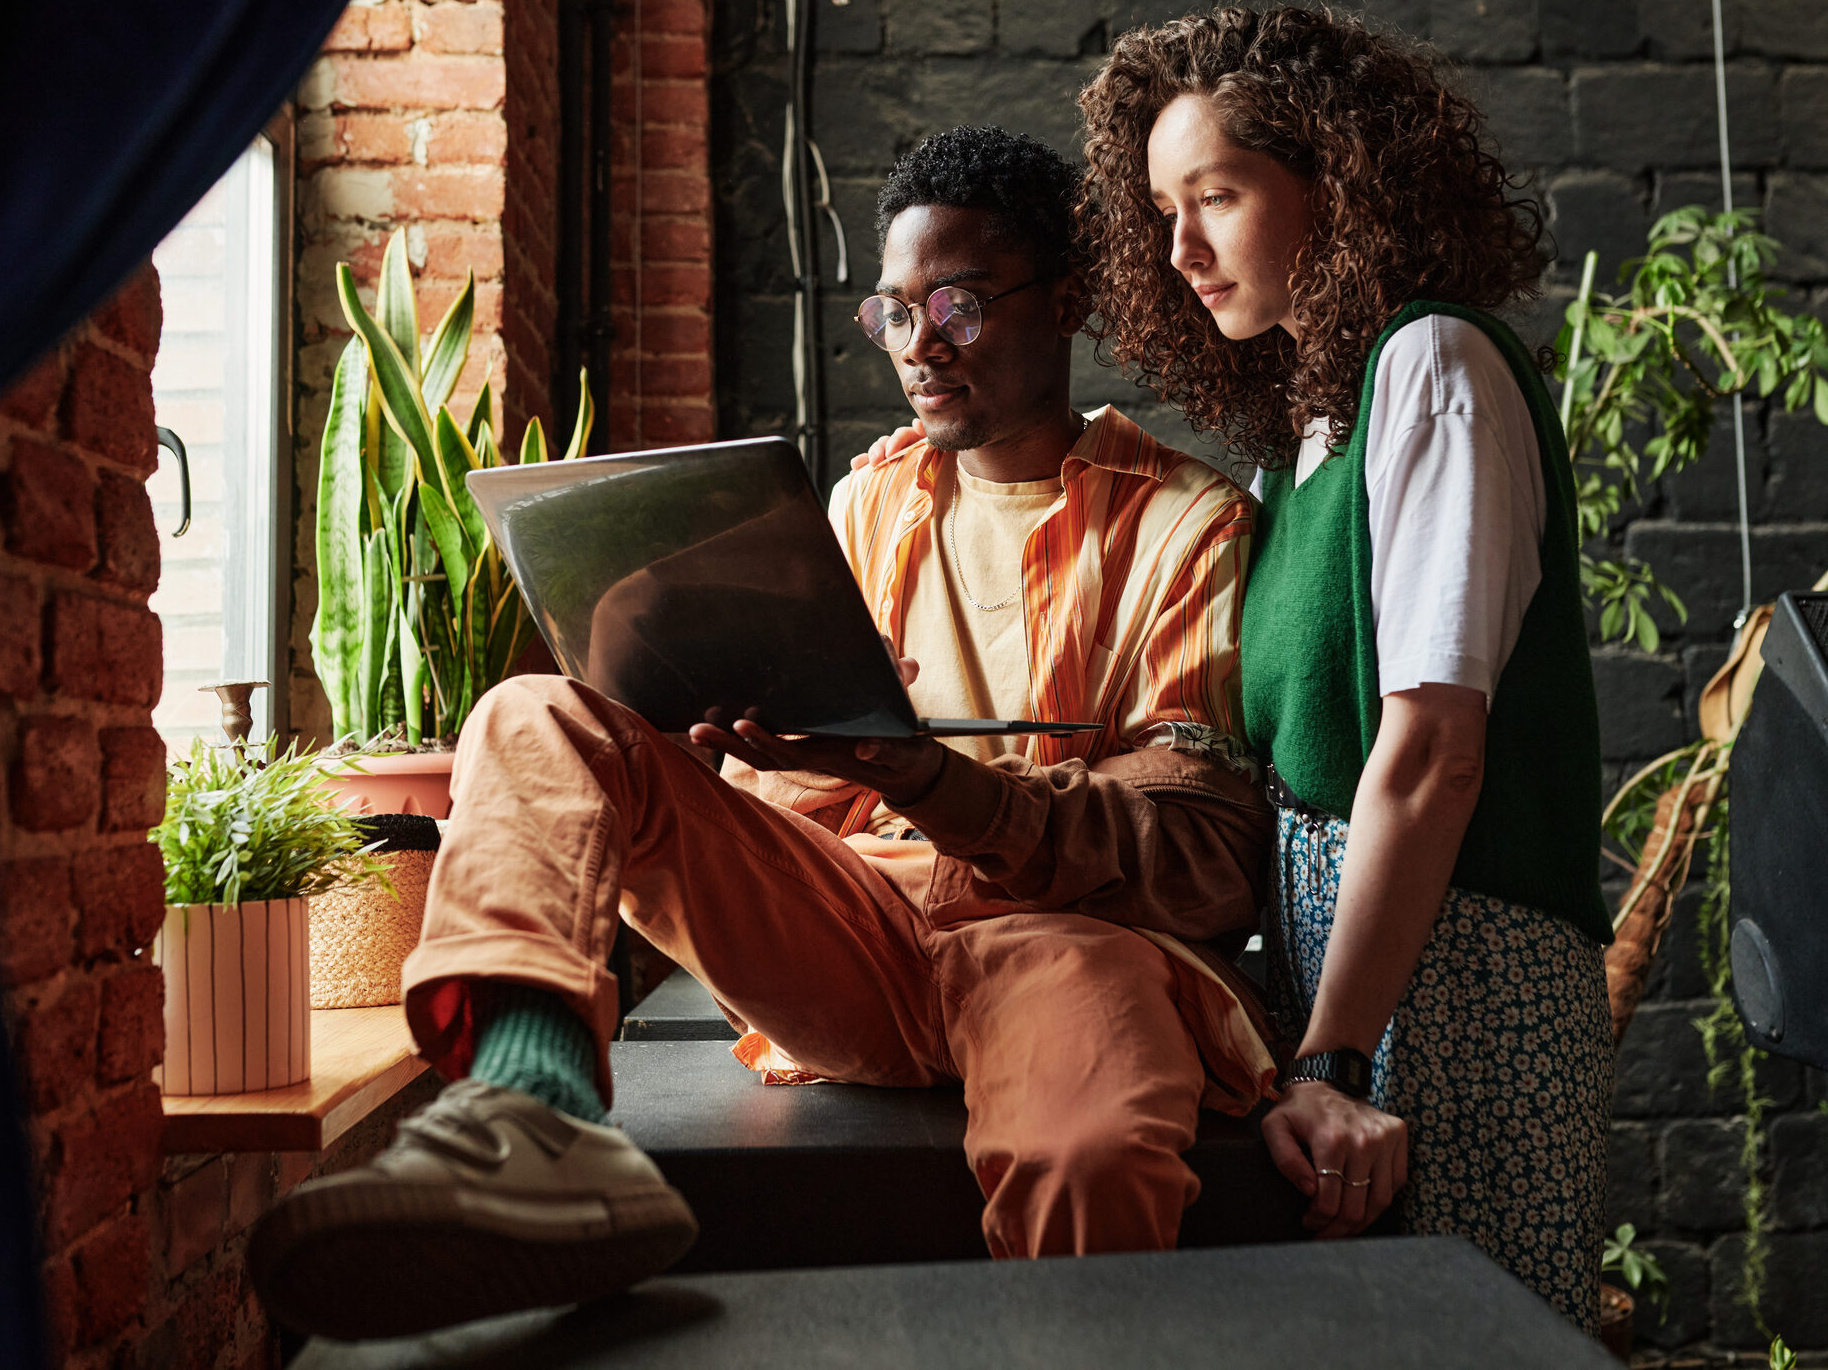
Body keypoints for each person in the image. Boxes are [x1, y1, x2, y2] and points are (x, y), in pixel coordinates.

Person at [247, 125, 1282, 1341]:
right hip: (853, 923)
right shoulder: (862, 501)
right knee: (533, 712)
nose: (920, 347)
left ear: (1065, 299)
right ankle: (529, 1118)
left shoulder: (1186, 523)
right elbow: (785, 805)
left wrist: (939, 784)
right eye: (893, 313)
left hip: (1063, 942)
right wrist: (714, 748)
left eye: (953, 302)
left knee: (1093, 1157)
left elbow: (1207, 861)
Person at [1079, 5, 1617, 1330]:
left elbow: (1431, 754)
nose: (1179, 247)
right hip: (1345, 977)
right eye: (1159, 209)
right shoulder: (1306, 429)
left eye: (1214, 195)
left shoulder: (1431, 366)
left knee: (1475, 1344)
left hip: (1457, 982)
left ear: (1338, 184)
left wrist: (1335, 1050)